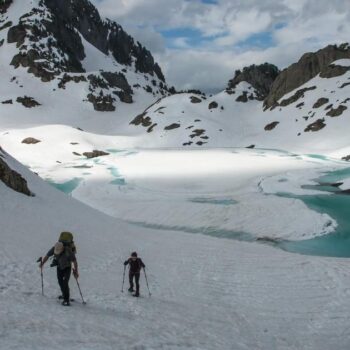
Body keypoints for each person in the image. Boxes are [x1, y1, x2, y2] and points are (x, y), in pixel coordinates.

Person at [39, 232, 79, 306]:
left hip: (67, 267)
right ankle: (64, 294)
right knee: (60, 282)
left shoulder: (68, 251)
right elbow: (47, 256)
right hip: (59, 267)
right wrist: (42, 263)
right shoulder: (54, 248)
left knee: (65, 282)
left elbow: (74, 261)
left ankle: (66, 300)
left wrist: (76, 271)